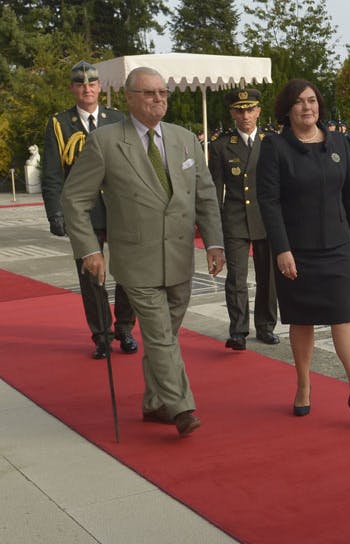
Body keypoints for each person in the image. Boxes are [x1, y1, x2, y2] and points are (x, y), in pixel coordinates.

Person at [62, 66, 225, 437]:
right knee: (158, 333)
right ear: (129, 98)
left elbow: (205, 196)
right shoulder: (105, 142)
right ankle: (181, 406)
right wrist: (89, 249)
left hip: (180, 259)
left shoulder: (184, 139)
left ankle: (154, 403)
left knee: (164, 337)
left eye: (163, 92)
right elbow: (74, 198)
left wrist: (214, 244)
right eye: (150, 93)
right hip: (136, 259)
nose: (159, 99)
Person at [256, 78, 350, 423]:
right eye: (299, 102)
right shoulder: (274, 147)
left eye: (312, 100)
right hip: (297, 250)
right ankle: (303, 384)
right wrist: (281, 249)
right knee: (302, 320)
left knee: (345, 316)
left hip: (337, 247)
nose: (307, 107)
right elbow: (269, 203)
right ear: (287, 109)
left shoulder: (338, 141)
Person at [42, 60, 137, 360]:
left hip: (120, 209)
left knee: (128, 272)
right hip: (83, 211)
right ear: (72, 88)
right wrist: (55, 212)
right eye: (81, 84)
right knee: (91, 276)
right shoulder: (59, 124)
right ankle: (101, 335)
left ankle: (124, 328)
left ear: (100, 87)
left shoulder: (118, 119)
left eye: (92, 83)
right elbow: (52, 173)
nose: (87, 88)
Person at [209, 88, 279, 351]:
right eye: (240, 110)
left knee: (268, 278)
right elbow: (215, 190)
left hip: (266, 219)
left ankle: (266, 326)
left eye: (250, 109)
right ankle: (238, 330)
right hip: (236, 219)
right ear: (232, 113)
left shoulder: (272, 142)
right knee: (236, 278)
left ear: (259, 110)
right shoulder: (221, 146)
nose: (246, 115)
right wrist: (213, 231)